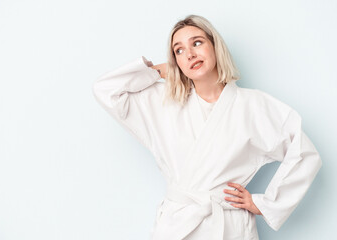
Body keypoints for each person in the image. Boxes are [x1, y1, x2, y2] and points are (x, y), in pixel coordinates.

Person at [92, 14, 322, 240]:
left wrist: (265, 204)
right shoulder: (164, 102)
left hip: (228, 228)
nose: (190, 54)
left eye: (197, 43)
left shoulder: (254, 106)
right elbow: (105, 90)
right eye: (178, 50)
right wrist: (159, 71)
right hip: (176, 225)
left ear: (215, 46)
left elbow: (304, 152)